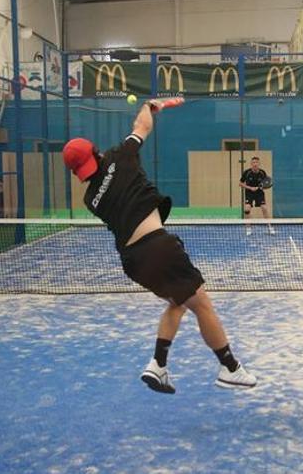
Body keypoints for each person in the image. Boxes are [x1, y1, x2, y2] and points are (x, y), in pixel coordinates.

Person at [62, 97, 257, 394]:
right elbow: (142, 125)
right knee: (202, 303)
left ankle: (158, 365)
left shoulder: (91, 200)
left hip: (133, 262)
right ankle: (230, 368)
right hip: (158, 248)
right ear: (95, 151)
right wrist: (152, 106)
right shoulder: (119, 157)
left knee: (178, 302)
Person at [239, 156, 275, 235]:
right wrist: (250, 188)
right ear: (251, 164)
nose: (255, 164)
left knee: (264, 208)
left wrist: (261, 187)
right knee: (247, 209)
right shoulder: (247, 172)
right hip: (249, 192)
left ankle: (270, 227)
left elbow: (266, 183)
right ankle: (248, 228)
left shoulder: (262, 172)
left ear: (259, 164)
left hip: (259, 193)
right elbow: (240, 183)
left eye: (256, 163)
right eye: (253, 163)